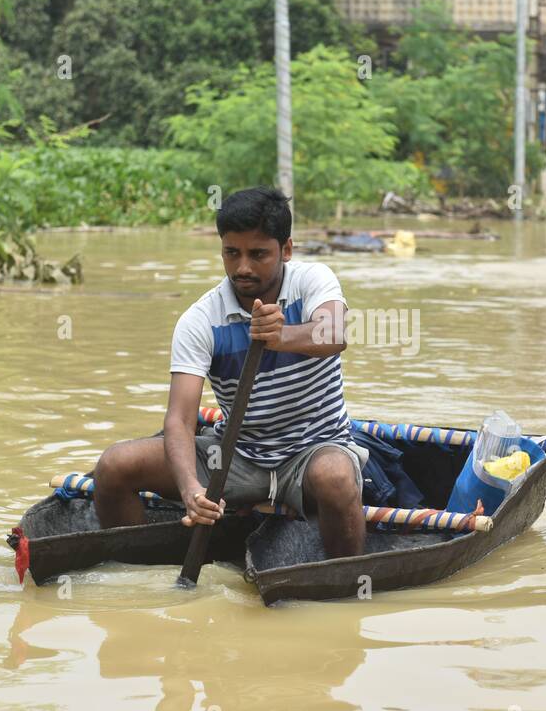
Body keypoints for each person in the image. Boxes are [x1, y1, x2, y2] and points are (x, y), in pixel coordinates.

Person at [91, 186, 368, 558]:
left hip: (313, 451)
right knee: (114, 466)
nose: (243, 268)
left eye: (258, 255)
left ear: (286, 250)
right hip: (237, 456)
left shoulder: (311, 280)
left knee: (335, 478)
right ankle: (139, 568)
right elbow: (180, 419)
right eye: (231, 253)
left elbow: (334, 334)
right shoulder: (201, 319)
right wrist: (190, 488)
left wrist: (280, 335)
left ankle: (345, 581)